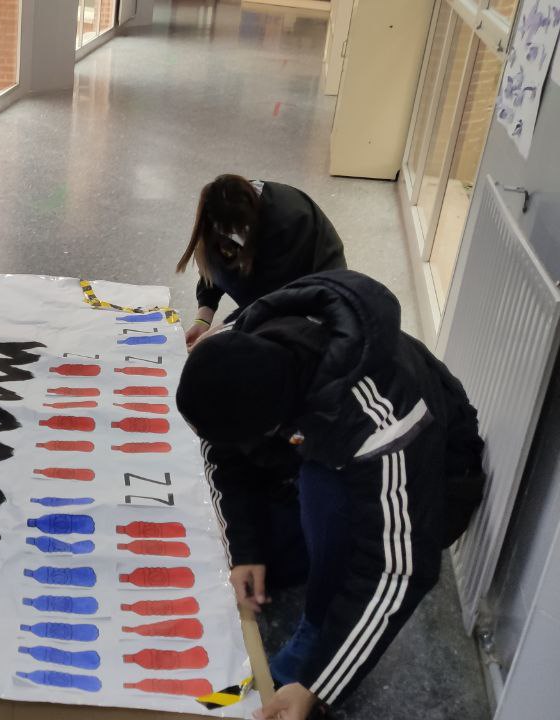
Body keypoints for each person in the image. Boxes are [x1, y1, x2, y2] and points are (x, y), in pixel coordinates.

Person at [175, 270, 484, 720]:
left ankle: (316, 629)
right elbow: (221, 450)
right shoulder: (241, 336)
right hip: (318, 440)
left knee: (329, 506)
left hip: (435, 484)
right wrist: (245, 549)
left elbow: (398, 569)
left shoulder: (381, 425)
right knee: (267, 562)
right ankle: (301, 534)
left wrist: (319, 682)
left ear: (275, 425)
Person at [176, 175, 347, 348]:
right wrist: (202, 321)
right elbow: (214, 267)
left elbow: (271, 301)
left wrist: (219, 332)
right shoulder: (225, 208)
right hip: (270, 272)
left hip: (316, 285)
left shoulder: (284, 223)